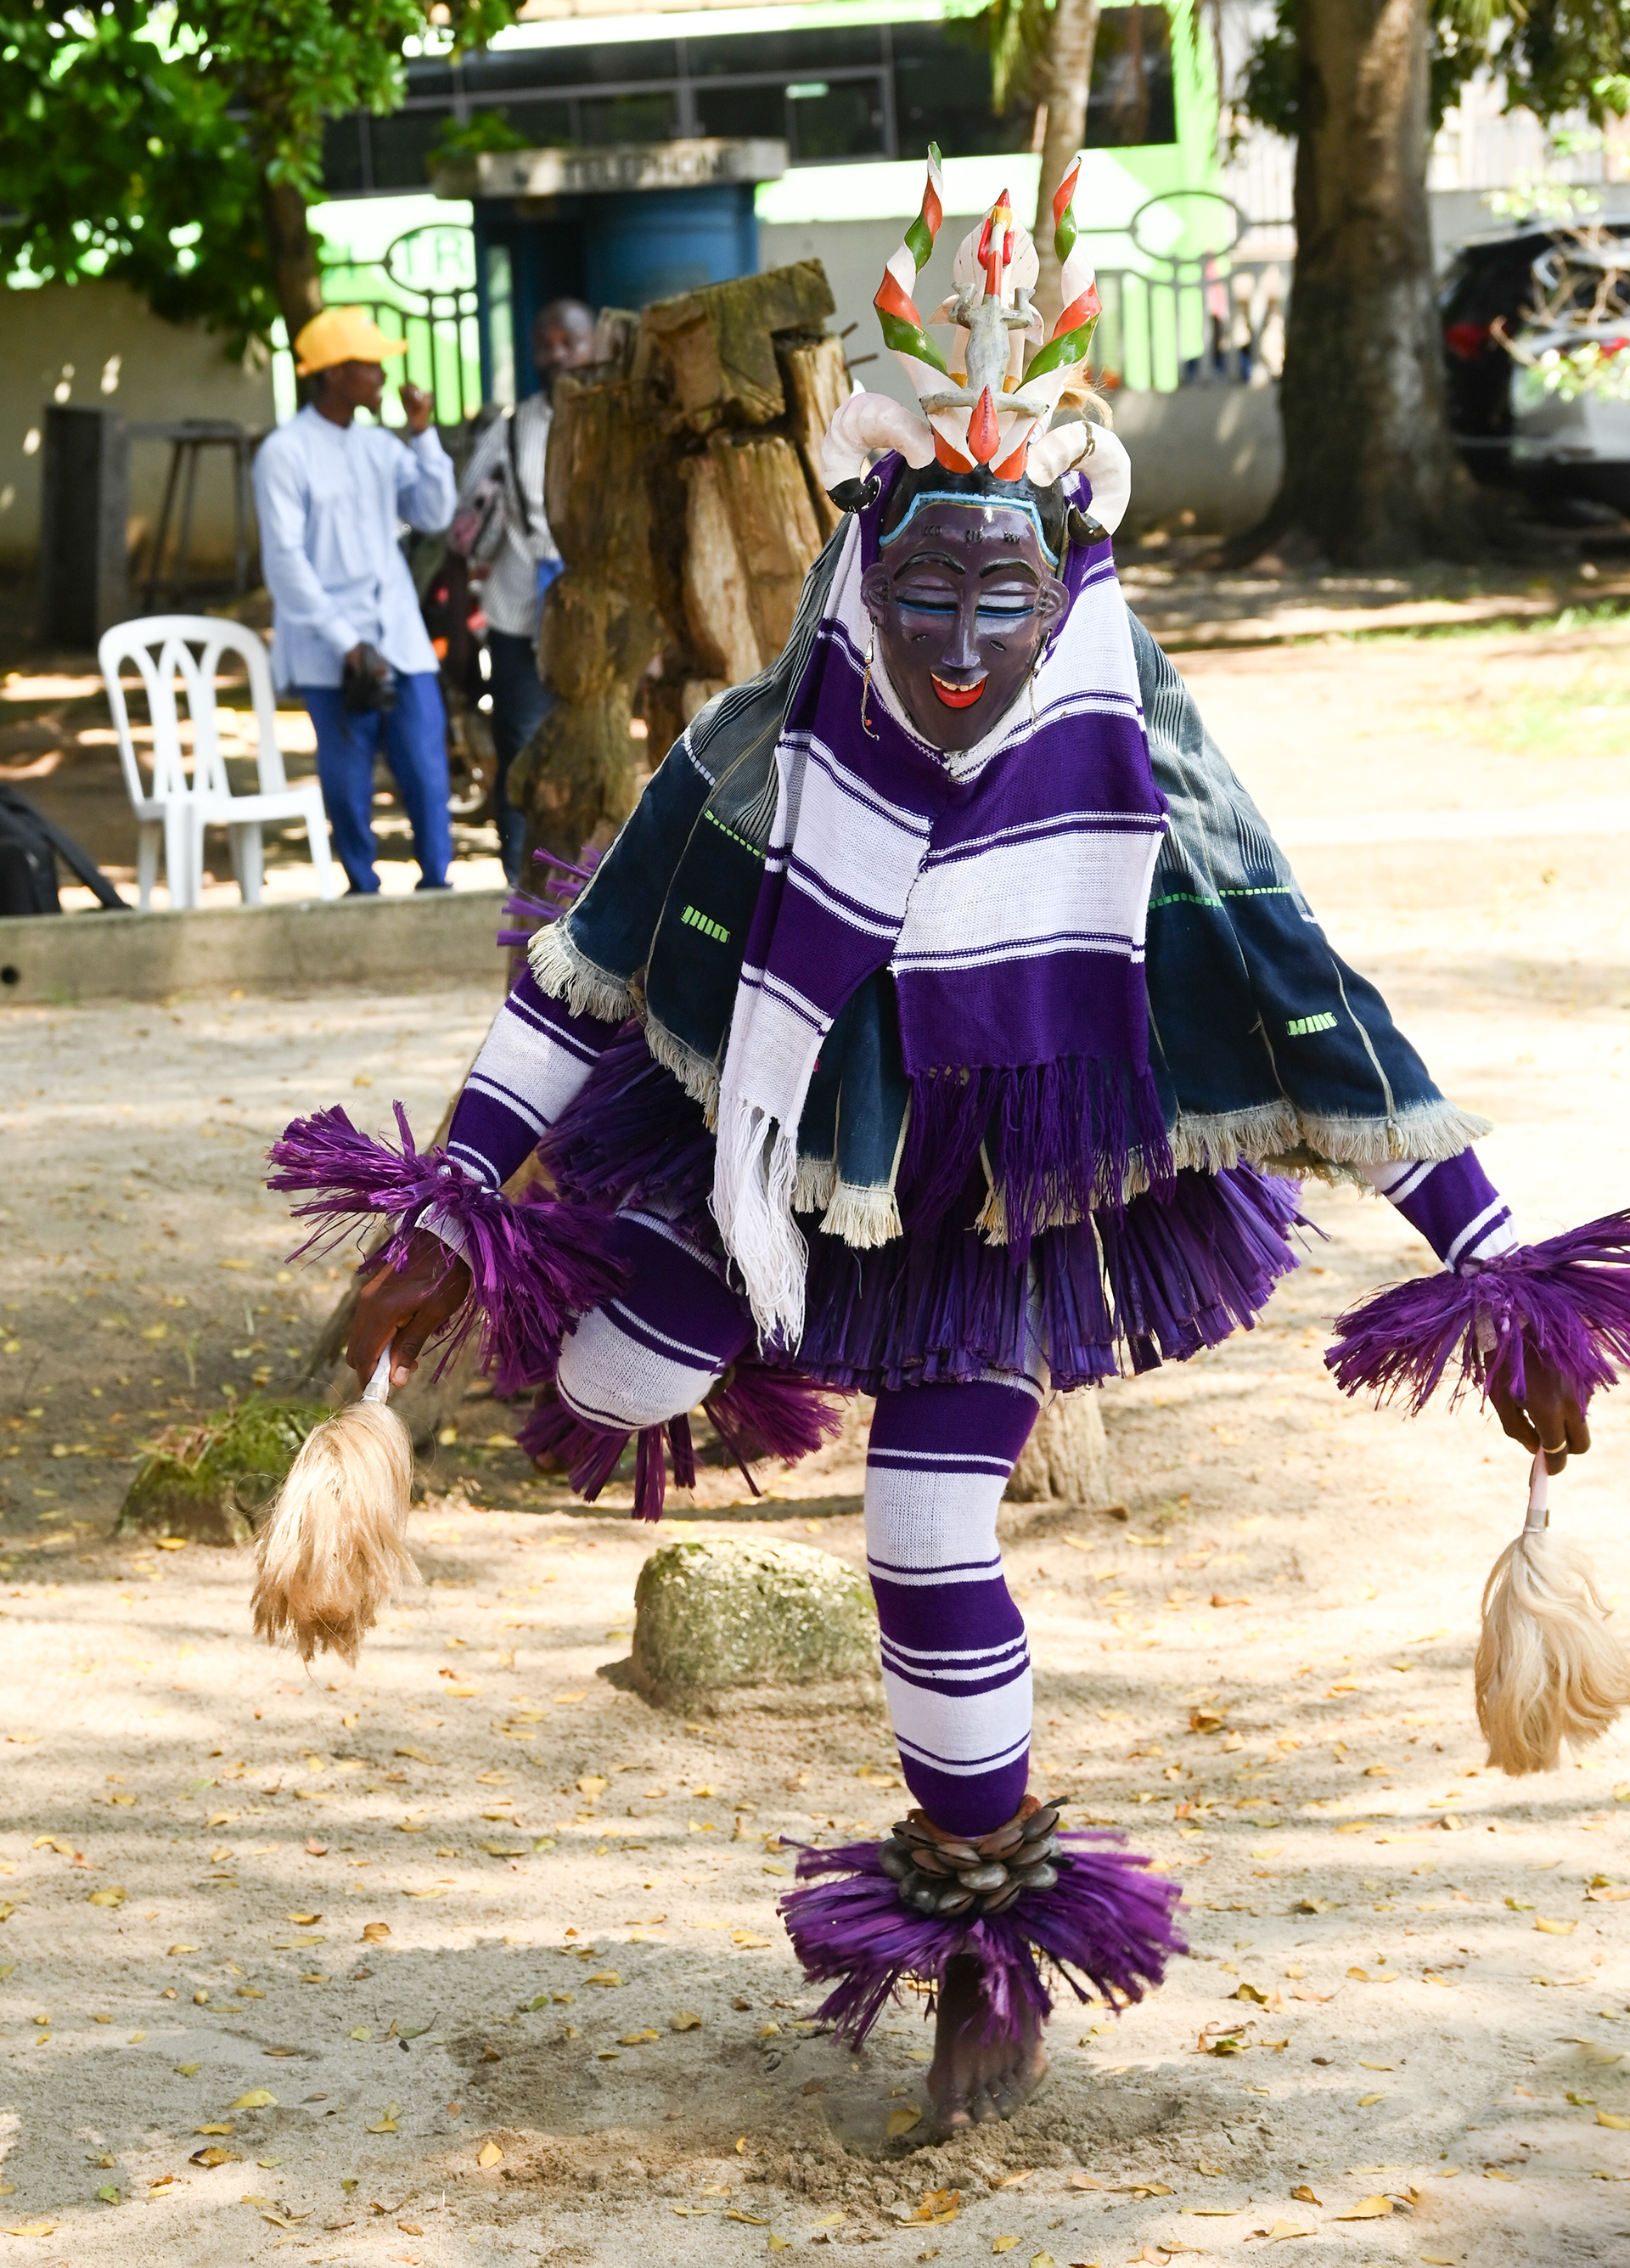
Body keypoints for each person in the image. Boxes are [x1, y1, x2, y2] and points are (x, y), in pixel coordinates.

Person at [273, 159, 1610, 2137]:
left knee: (924, 1524)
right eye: (923, 596)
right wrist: (462, 1182)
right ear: (862, 563)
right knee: (604, 1367)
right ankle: (696, 1309)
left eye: (1005, 597)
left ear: (1065, 575)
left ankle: (985, 1947)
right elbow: (588, 967)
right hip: (765, 1150)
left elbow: (1312, 994)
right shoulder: (769, 738)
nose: (963, 646)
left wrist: (1491, 1264)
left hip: (1001, 1214)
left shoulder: (1135, 750)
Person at [254, 307, 458, 895]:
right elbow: (285, 562)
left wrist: (424, 434)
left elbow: (434, 512)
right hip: (327, 643)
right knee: (347, 775)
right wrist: (344, 642)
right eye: (370, 366)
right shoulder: (285, 452)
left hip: (397, 630)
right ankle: (362, 887)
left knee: (423, 761)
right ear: (336, 373)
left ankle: (436, 882)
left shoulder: (380, 446)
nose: (382, 377)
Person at [454, 298, 599, 882]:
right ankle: (524, 876)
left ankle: (596, 881)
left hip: (602, 623)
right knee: (524, 748)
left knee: (598, 751)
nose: (558, 355)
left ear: (598, 345)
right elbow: (464, 523)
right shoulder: (512, 428)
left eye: (571, 341)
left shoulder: (626, 421)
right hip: (522, 616)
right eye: (547, 343)